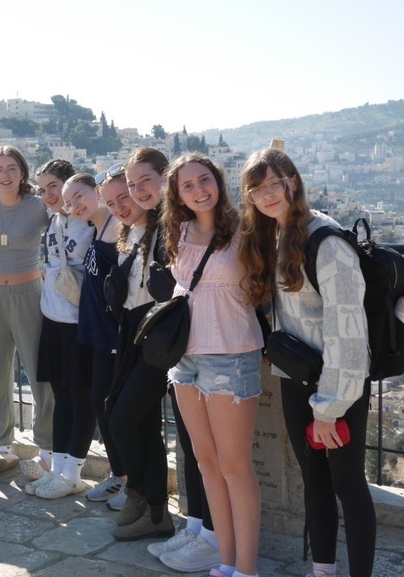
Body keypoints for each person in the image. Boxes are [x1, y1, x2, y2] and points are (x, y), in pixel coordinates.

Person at [239, 148, 375, 577]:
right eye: (256, 190)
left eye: (273, 185)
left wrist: (329, 409)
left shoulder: (327, 242)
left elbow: (349, 335)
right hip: (296, 379)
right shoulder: (276, 237)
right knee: (314, 481)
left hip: (337, 386)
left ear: (292, 183)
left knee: (349, 487)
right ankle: (323, 571)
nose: (266, 196)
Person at [162, 153, 264, 577]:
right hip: (185, 359)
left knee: (235, 467)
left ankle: (246, 569)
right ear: (178, 196)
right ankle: (225, 562)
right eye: (188, 186)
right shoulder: (179, 231)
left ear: (219, 182)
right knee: (205, 462)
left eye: (204, 180)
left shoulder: (246, 229)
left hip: (232, 355)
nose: (198, 190)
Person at [127, 148, 221, 571]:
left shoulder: (184, 226)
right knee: (190, 445)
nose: (138, 190)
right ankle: (199, 526)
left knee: (208, 451)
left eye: (145, 180)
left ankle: (212, 534)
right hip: (181, 348)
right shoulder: (163, 227)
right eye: (132, 184)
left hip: (209, 344)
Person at [99, 161, 175, 542]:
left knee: (120, 419)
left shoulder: (167, 231)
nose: (119, 206)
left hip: (160, 336)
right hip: (133, 332)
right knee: (142, 425)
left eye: (124, 196)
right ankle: (156, 512)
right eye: (111, 202)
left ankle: (138, 492)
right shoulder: (128, 236)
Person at [24, 162, 98, 498]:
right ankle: (59, 469)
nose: (48, 195)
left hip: (79, 322)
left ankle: (74, 473)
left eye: (53, 186)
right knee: (61, 396)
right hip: (53, 317)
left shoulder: (91, 221)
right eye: (42, 189)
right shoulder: (54, 219)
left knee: (81, 396)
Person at [0, 145, 53, 475]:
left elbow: (66, 219)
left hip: (29, 294)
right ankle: (3, 444)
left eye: (11, 168)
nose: (5, 175)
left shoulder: (38, 205)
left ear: (23, 172)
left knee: (39, 371)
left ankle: (47, 446)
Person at [78, 166, 127, 510]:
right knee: (101, 403)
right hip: (99, 332)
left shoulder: (114, 224)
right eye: (69, 202)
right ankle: (119, 474)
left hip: (116, 333)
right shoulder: (97, 227)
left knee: (116, 408)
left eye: (79, 196)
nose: (74, 205)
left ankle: (131, 480)